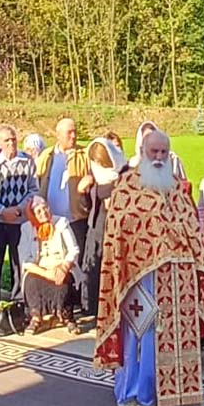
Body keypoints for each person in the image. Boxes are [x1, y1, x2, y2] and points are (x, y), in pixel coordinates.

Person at [95, 128, 204, 406]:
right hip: (140, 276)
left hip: (178, 276)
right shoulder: (127, 185)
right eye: (154, 152)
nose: (159, 157)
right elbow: (120, 228)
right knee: (143, 332)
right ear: (143, 152)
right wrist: (158, 238)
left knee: (174, 336)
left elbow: (191, 226)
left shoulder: (176, 187)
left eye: (164, 152)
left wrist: (190, 251)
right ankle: (137, 392)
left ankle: (171, 395)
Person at [0, 126, 38, 314]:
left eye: (13, 139)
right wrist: (2, 211)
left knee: (18, 265)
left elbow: (34, 190)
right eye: (7, 140)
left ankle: (17, 307)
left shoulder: (27, 162)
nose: (11, 143)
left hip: (19, 222)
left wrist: (19, 209)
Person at [35, 117, 91, 281]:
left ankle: (79, 294)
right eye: (69, 132)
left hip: (76, 219)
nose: (73, 136)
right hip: (51, 222)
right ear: (58, 135)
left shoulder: (84, 155)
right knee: (52, 263)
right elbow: (38, 181)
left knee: (77, 262)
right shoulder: (47, 156)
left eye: (75, 132)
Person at [17, 195, 81, 330]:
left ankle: (65, 316)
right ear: (33, 215)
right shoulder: (26, 228)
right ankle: (36, 317)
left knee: (63, 281)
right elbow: (25, 260)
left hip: (60, 266)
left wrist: (64, 267)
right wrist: (46, 273)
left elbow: (73, 250)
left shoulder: (62, 223)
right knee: (30, 280)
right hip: (40, 269)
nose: (44, 213)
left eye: (45, 208)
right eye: (38, 211)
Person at [81, 136, 126, 326]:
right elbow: (89, 203)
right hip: (98, 223)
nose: (98, 166)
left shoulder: (124, 174)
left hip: (118, 227)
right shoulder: (94, 176)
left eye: (101, 162)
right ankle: (94, 311)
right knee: (95, 266)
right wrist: (83, 191)